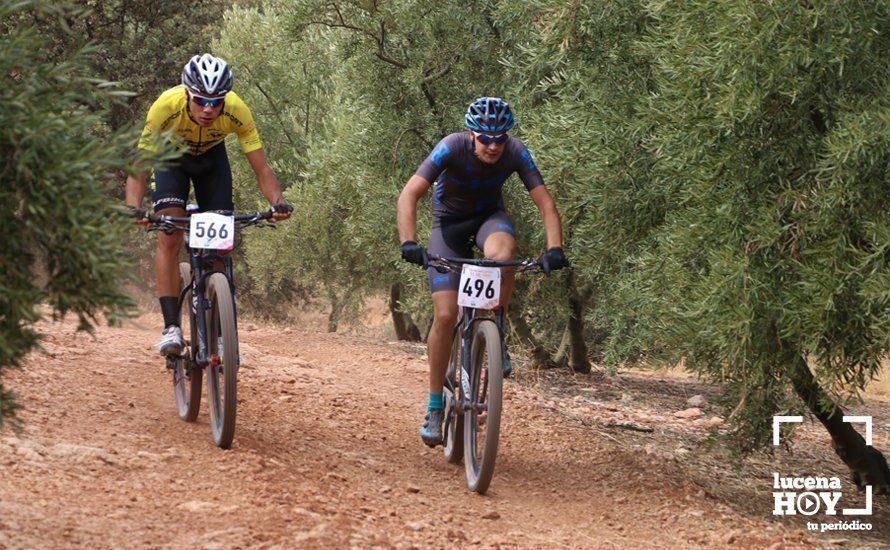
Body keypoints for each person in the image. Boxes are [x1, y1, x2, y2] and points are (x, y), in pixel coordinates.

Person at [396, 97, 569, 447]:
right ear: (471, 134)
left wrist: (555, 249)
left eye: (499, 139)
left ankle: (495, 327)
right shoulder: (450, 147)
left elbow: (546, 204)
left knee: (504, 254)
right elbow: (409, 195)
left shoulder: (516, 152)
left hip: (489, 221)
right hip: (448, 227)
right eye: (485, 138)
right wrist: (409, 242)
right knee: (445, 315)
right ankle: (433, 405)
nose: (493, 146)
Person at [125, 53, 292, 356]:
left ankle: (218, 330)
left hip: (212, 163)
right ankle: (171, 327)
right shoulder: (165, 106)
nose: (208, 109)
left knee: (218, 244)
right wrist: (133, 207)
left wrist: (277, 203)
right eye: (201, 100)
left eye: (217, 102)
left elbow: (261, 167)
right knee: (169, 234)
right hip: (170, 160)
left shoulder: (238, 110)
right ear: (187, 93)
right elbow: (139, 166)